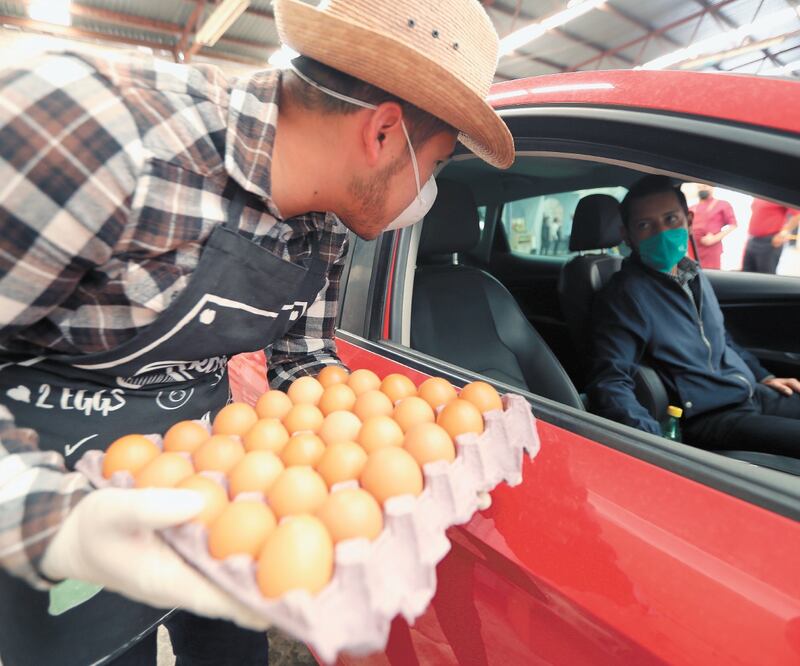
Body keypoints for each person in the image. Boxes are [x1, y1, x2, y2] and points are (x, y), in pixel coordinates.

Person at [0, 0, 514, 664]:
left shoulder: (327, 219)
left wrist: (386, 453)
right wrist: (59, 525)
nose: (428, 197)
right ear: (383, 132)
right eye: (438, 165)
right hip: (54, 492)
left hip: (215, 484)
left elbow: (303, 357)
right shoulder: (91, 135)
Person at [588, 176, 800, 458]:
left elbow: (721, 339)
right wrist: (657, 449)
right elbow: (611, 381)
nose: (661, 232)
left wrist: (764, 376)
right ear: (627, 236)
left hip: (747, 392)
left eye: (670, 219)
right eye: (644, 225)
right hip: (711, 416)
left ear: (688, 219)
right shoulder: (626, 295)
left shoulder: (691, 273)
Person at [743, 198, 800, 274]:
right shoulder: (759, 195)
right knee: (746, 273)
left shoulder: (777, 195)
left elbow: (797, 215)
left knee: (765, 276)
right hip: (752, 239)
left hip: (769, 241)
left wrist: (783, 233)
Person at [689, 185, 737, 270]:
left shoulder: (722, 204)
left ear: (712, 187)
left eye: (704, 186)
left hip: (711, 251)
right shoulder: (692, 207)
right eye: (699, 187)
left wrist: (715, 238)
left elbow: (733, 225)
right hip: (693, 249)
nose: (702, 189)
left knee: (710, 276)